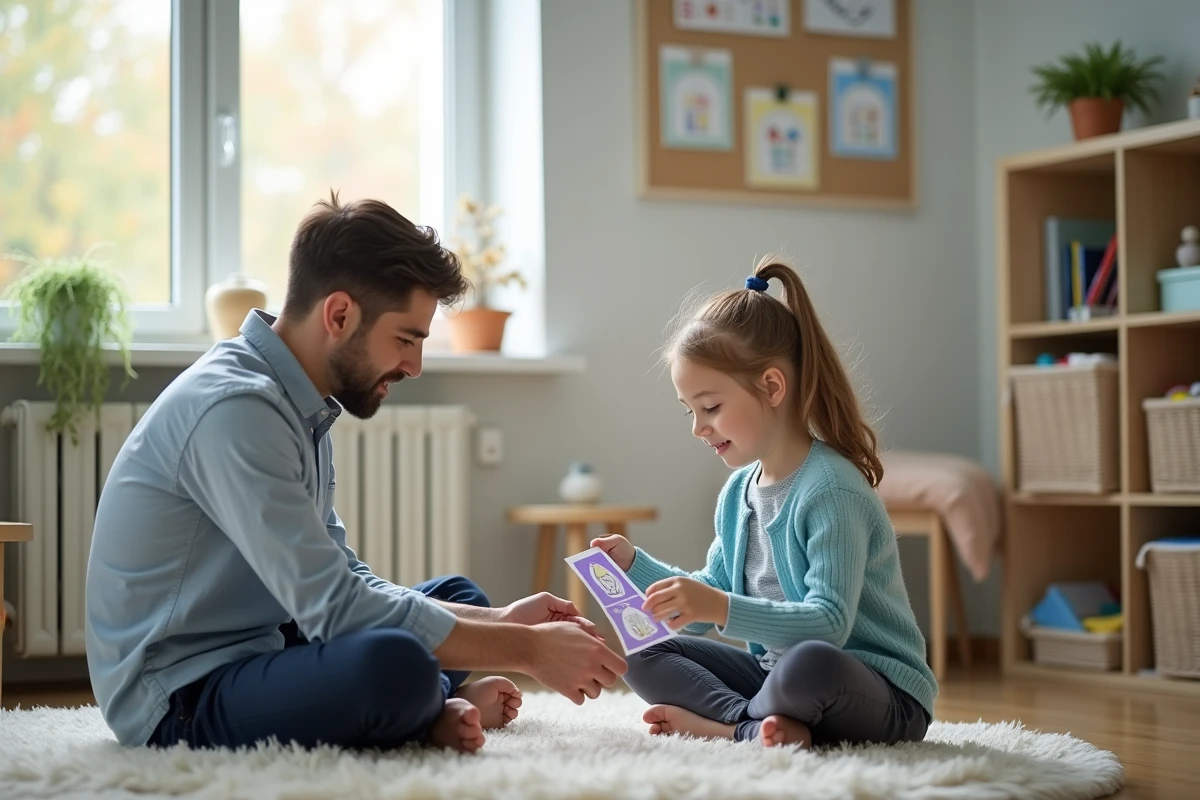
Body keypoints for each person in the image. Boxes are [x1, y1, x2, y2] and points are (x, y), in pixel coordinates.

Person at [85, 192, 627, 754]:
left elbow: (344, 578)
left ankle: (422, 706)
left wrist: (498, 620)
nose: (414, 366)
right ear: (339, 314)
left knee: (456, 597)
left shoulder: (298, 403)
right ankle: (424, 710)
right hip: (180, 695)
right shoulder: (237, 409)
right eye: (406, 339)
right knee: (395, 667)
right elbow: (336, 608)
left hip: (268, 642)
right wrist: (527, 650)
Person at [590, 256, 937, 749]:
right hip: (773, 677)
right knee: (643, 651)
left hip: (877, 691)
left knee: (808, 664)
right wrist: (633, 564)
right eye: (690, 411)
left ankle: (730, 727)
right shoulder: (739, 493)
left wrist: (719, 605)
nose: (698, 427)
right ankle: (752, 727)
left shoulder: (831, 490)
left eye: (711, 407)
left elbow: (830, 624)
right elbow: (711, 594)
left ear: (772, 386)